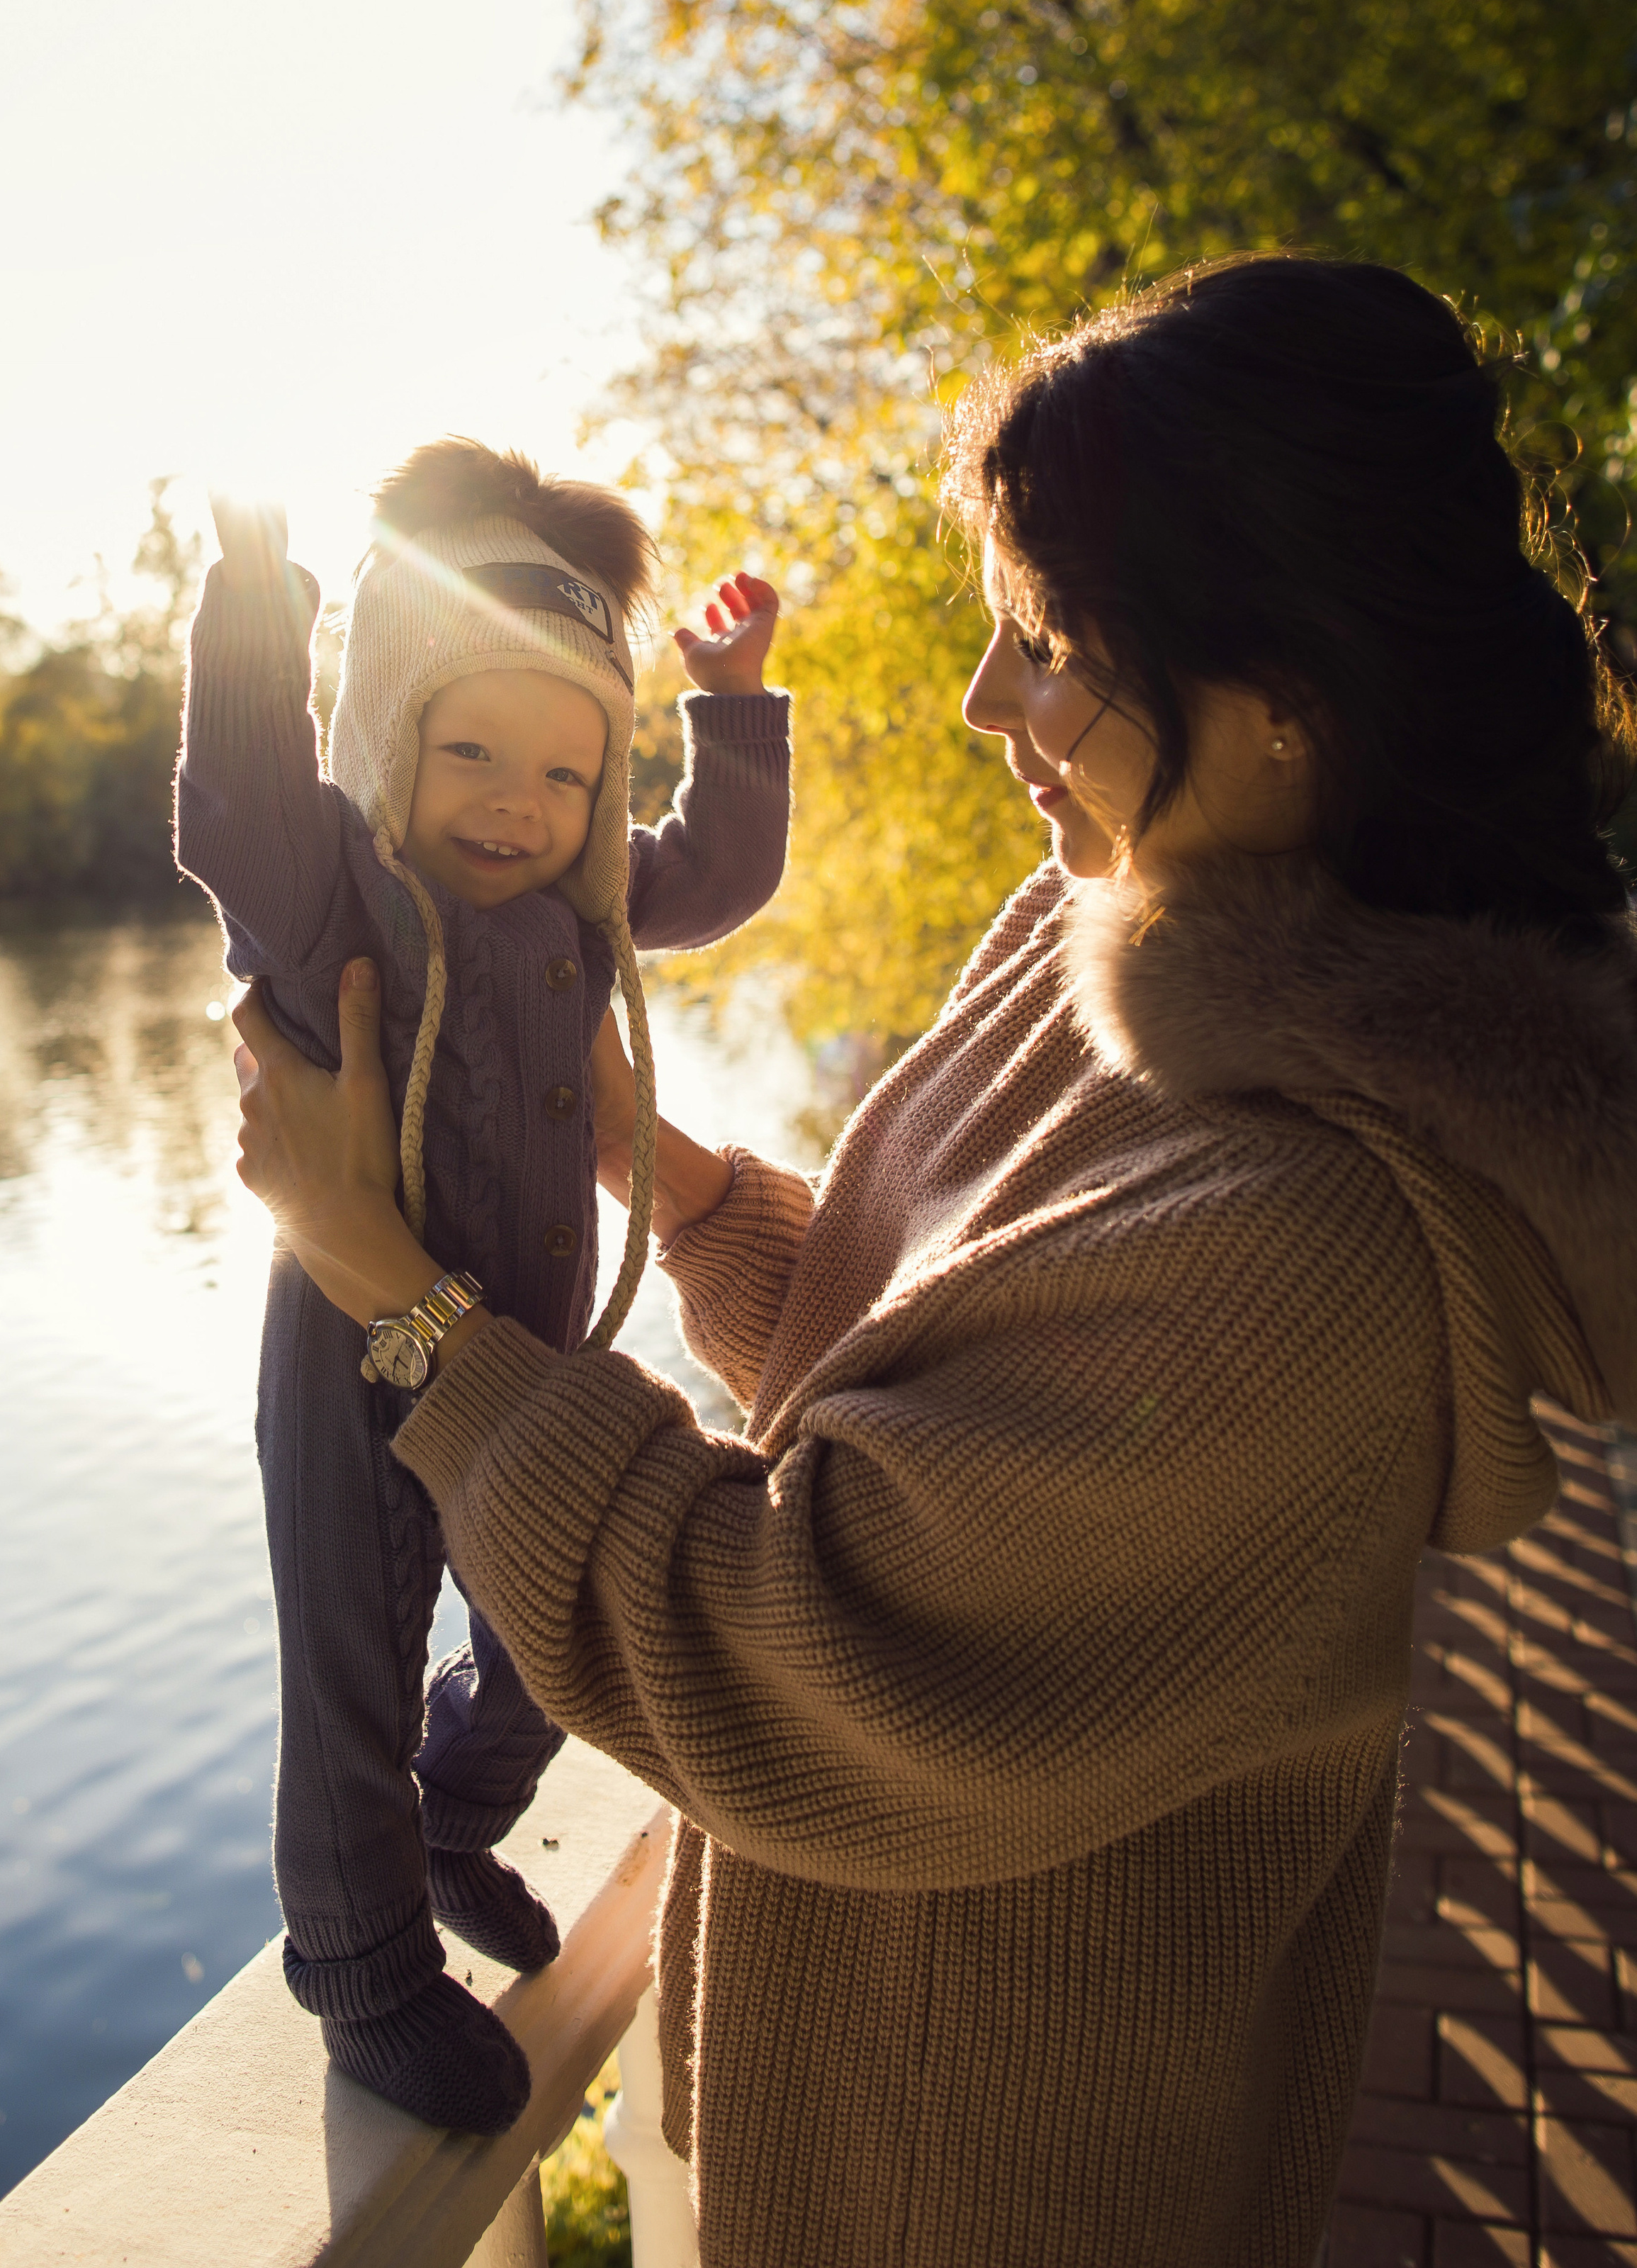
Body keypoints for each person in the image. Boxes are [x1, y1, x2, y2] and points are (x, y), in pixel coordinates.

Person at [225, 257, 1637, 2266]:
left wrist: (397, 1290)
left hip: (983, 2158)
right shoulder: (1132, 917)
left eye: (1050, 648)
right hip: (827, 2054)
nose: (989, 707)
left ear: (1287, 714)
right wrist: (676, 1178)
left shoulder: (1323, 1249)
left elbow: (802, 1658)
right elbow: (927, 1362)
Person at [176, 438, 789, 2134]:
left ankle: (459, 1815)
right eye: (468, 752)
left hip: (513, 1360)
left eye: (564, 776)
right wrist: (252, 598)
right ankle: (363, 1967)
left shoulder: (581, 908)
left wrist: (729, 707)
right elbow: (234, 798)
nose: (518, 804)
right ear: (390, 735)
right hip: (352, 1363)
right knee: (352, 1662)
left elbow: (722, 875)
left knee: (548, 1621)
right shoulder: (336, 900)